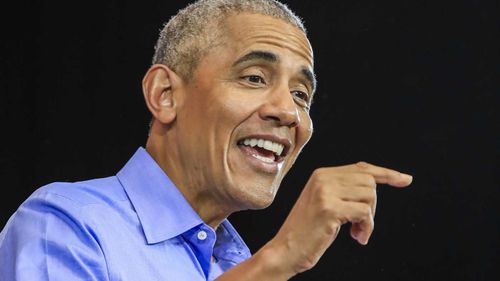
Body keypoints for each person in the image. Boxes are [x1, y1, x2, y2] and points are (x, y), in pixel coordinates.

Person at [0, 0, 413, 280]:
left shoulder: (236, 265)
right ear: (165, 95)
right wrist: (279, 258)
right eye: (254, 78)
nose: (289, 112)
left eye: (301, 96)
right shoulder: (65, 224)